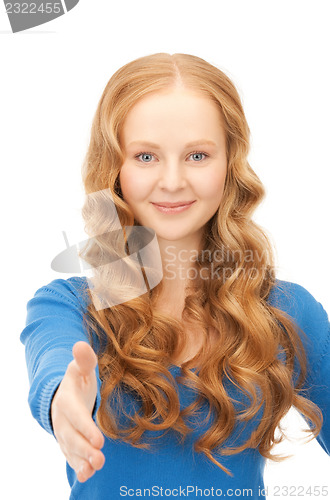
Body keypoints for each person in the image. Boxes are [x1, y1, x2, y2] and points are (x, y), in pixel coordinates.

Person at [20, 53, 330, 499]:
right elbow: (55, 367)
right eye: (145, 156)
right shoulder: (69, 306)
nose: (171, 180)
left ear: (230, 164)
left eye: (197, 155)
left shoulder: (286, 311)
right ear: (116, 170)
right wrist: (63, 401)